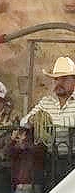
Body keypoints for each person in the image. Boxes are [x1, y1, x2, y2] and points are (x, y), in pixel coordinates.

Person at [21, 56, 75, 185]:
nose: (59, 83)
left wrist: (47, 122)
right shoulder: (46, 102)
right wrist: (34, 119)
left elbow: (72, 122)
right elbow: (24, 121)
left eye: (64, 79)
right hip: (51, 160)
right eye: (56, 79)